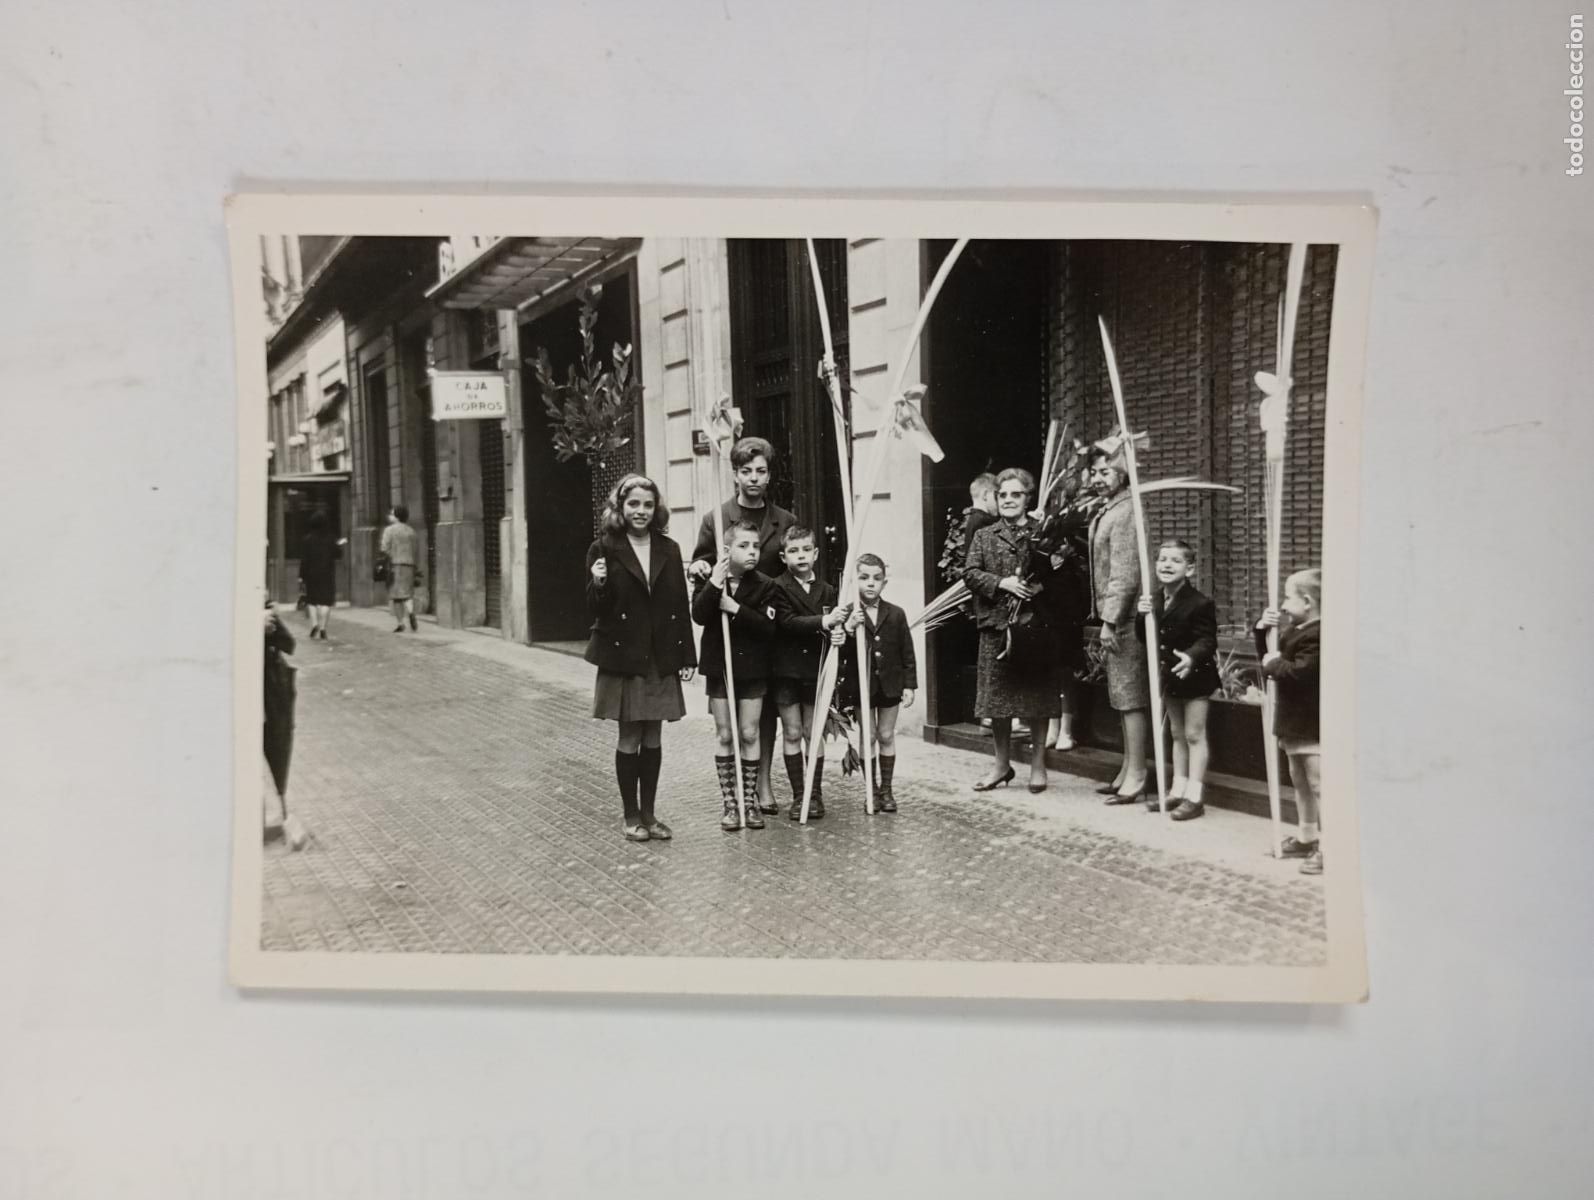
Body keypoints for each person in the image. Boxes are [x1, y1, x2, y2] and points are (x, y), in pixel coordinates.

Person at [585, 474, 698, 843]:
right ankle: (630, 814)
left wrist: (686, 655)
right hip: (625, 656)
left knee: (654, 735)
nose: (641, 511)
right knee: (630, 734)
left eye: (648, 505)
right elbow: (593, 609)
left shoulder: (669, 547)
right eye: (633, 504)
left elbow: (680, 605)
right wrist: (598, 583)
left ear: (656, 509)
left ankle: (650, 814)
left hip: (659, 653)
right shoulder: (603, 548)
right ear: (620, 507)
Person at [690, 436, 797, 815]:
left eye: (761, 471)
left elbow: (794, 569)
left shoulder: (784, 520)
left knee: (763, 710)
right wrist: (699, 568)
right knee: (737, 717)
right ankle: (737, 797)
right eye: (746, 471)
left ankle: (762, 784)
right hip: (729, 632)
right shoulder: (716, 520)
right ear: (735, 474)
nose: (754, 478)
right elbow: (701, 569)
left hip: (769, 622)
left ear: (769, 475)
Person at [963, 468, 1065, 794]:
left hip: (1034, 628)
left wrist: (1040, 585)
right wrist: (1000, 583)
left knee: (1037, 698)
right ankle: (1001, 765)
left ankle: (1037, 765)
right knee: (998, 703)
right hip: (996, 626)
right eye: (1002, 495)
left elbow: (1059, 578)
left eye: (1015, 495)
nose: (1008, 500)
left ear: (1027, 498)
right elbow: (969, 573)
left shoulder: (1043, 533)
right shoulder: (984, 535)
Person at [692, 519, 780, 832]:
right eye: (744, 546)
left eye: (756, 546)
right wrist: (714, 585)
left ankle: (750, 800)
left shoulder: (766, 585)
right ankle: (731, 802)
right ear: (727, 550)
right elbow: (699, 616)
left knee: (750, 733)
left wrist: (735, 609)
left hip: (753, 669)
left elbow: (769, 628)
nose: (752, 551)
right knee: (726, 734)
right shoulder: (711, 578)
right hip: (720, 667)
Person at [769, 526, 850, 820]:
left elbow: (833, 630)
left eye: (806, 550)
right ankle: (799, 795)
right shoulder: (778, 586)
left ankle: (814, 795)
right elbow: (788, 623)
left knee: (811, 733)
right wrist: (827, 621)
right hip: (787, 670)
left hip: (815, 670)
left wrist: (839, 634)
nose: (800, 556)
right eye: (793, 550)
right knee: (792, 731)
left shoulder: (827, 590)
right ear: (783, 556)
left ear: (815, 554)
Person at [1087, 445, 1153, 806]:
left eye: (1105, 473)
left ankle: (1138, 773)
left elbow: (1126, 574)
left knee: (1129, 697)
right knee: (1122, 695)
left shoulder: (1127, 510)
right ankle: (1128, 768)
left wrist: (1110, 621)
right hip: (1118, 617)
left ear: (1122, 474)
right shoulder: (1112, 508)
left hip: (1126, 618)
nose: (1098, 479)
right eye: (1095, 473)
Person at [1136, 539, 1220, 820]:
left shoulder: (1200, 602)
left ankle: (1195, 797)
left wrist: (1191, 656)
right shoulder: (1155, 599)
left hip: (1194, 675)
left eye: (1175, 561)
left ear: (1190, 568)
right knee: (1175, 733)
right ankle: (1177, 790)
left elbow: (1207, 639)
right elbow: (1144, 636)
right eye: (1162, 560)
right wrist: (1142, 615)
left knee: (1194, 733)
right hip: (1171, 674)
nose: (1167, 565)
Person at [837, 553, 917, 813]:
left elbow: (907, 651)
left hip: (890, 684)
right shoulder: (848, 613)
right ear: (854, 581)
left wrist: (909, 685)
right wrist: (848, 628)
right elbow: (840, 654)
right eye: (864, 578)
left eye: (876, 578)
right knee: (868, 735)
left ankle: (887, 789)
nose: (870, 583)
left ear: (884, 582)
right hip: (862, 684)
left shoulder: (896, 613)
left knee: (885, 734)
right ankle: (870, 789)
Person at [1256, 568, 1323, 874]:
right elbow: (1270, 660)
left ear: (1307, 601)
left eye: (1287, 597)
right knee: (1299, 779)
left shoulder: (1319, 634)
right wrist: (1262, 631)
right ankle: (1307, 835)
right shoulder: (1294, 631)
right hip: (1294, 721)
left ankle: (1330, 844)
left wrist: (1274, 663)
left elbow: (1299, 672)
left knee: (1319, 783)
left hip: (1310, 721)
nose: (1282, 606)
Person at [263, 596, 307, 851]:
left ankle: (277, 811)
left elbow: (288, 643)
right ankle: (276, 813)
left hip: (269, 685)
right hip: (263, 686)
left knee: (274, 741)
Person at [297, 509, 341, 640]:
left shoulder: (307, 539)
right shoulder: (331, 538)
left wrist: (301, 576)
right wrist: (338, 545)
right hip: (327, 573)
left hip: (311, 574)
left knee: (312, 601)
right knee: (325, 602)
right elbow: (338, 554)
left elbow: (304, 559)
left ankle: (314, 624)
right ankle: (323, 628)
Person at [380, 505, 420, 633]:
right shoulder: (411, 531)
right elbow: (415, 550)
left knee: (396, 596)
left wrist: (391, 555)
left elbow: (384, 548)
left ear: (396, 516)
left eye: (392, 514)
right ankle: (411, 612)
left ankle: (400, 623)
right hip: (409, 565)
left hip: (394, 565)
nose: (390, 516)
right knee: (407, 593)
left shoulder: (389, 530)